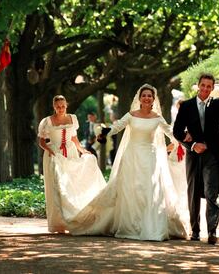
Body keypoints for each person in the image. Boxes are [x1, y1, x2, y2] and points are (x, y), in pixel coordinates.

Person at [65, 84, 190, 241]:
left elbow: (171, 132)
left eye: (149, 96)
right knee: (131, 189)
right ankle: (131, 225)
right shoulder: (131, 115)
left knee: (149, 190)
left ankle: (151, 227)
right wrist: (105, 133)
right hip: (131, 156)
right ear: (139, 98)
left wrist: (183, 137)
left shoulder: (157, 117)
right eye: (144, 95)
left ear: (153, 99)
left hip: (150, 158)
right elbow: (117, 127)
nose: (146, 98)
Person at [173, 71, 219, 244]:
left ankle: (212, 231)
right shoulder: (187, 106)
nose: (205, 89)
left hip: (212, 156)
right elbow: (177, 131)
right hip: (193, 155)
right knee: (193, 193)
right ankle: (195, 231)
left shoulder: (217, 104)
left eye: (209, 86)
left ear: (212, 89)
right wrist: (192, 144)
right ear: (198, 86)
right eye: (203, 85)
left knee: (211, 193)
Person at [37, 95, 106, 233]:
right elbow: (42, 141)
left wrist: (82, 150)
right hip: (55, 154)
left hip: (70, 152)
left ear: (66, 105)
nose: (61, 109)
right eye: (58, 107)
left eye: (63, 106)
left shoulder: (72, 118)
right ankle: (58, 223)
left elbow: (74, 138)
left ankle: (72, 218)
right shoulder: (47, 121)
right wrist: (50, 151)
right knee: (58, 186)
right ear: (54, 107)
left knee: (71, 185)